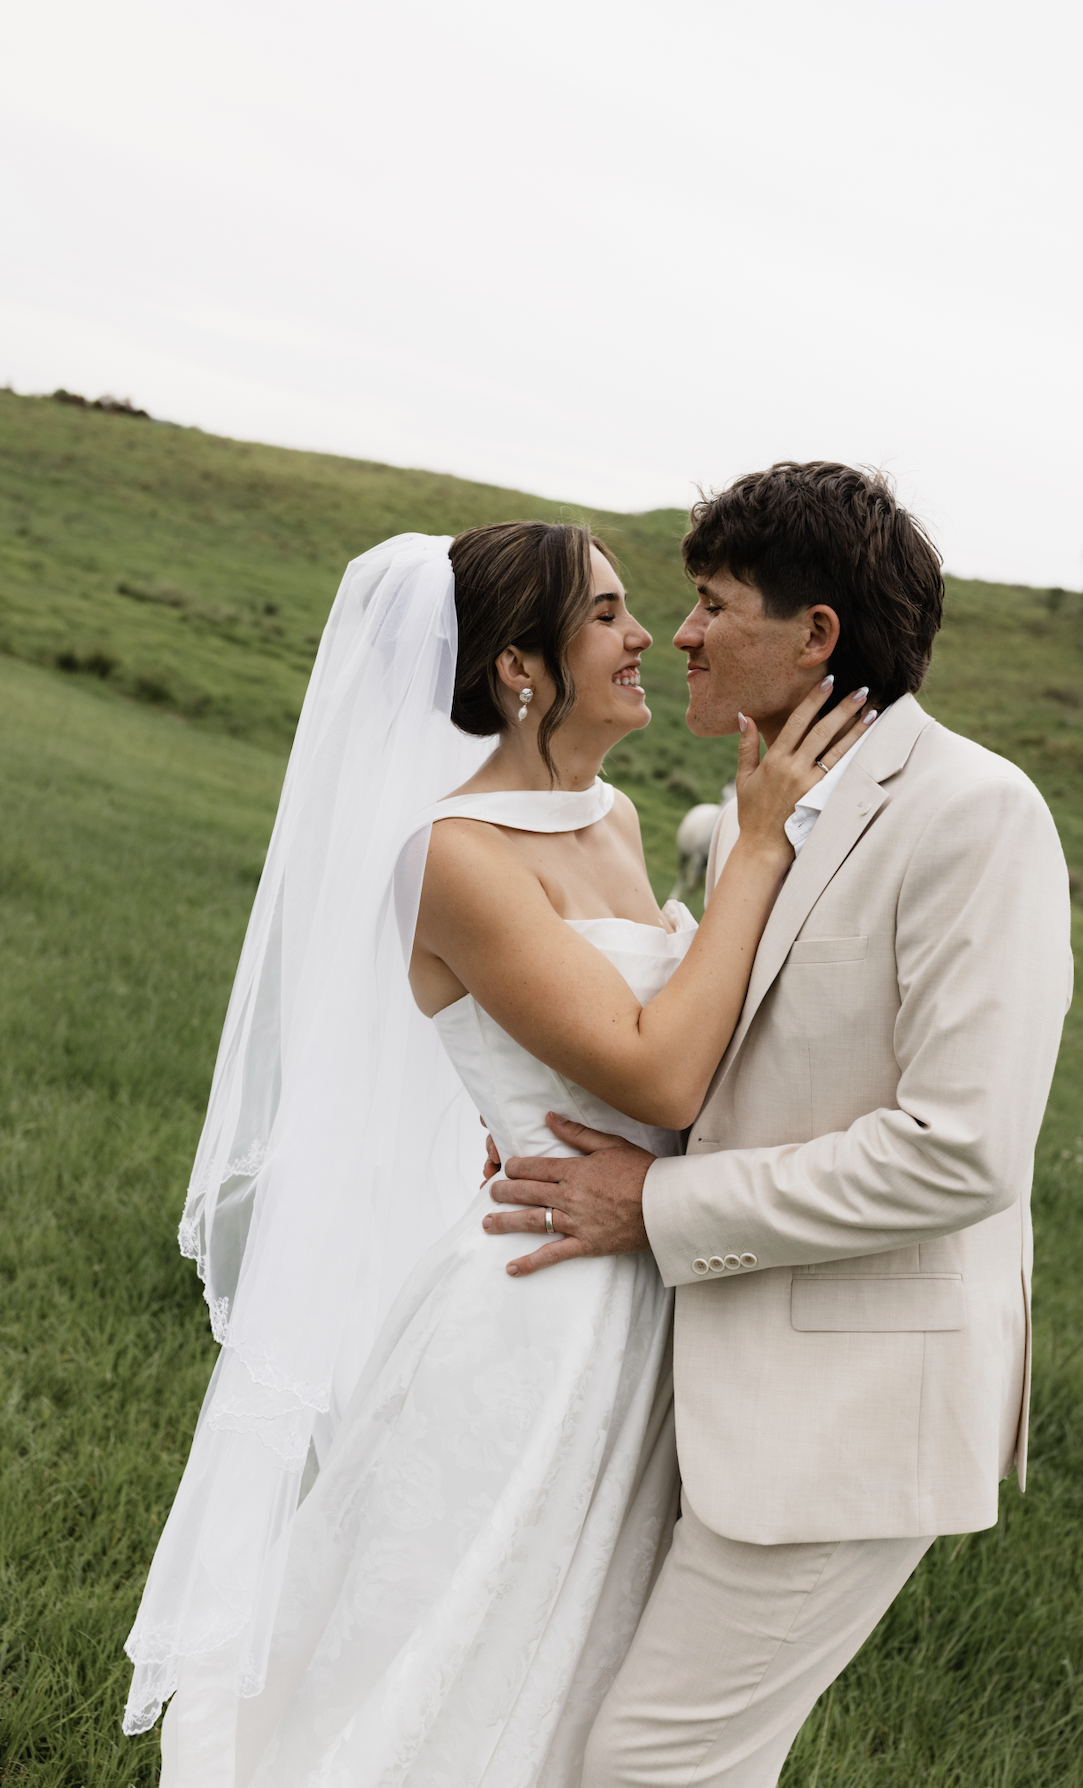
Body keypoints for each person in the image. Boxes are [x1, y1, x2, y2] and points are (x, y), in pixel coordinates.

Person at [123, 520, 871, 1786]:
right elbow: (656, 1071)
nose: (646, 639)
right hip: (539, 1305)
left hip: (649, 1278)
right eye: (608, 616)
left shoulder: (619, 820)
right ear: (518, 667)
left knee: (584, 1657)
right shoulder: (452, 856)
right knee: (456, 1642)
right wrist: (751, 848)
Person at [485, 463, 1074, 1787]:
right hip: (721, 1382)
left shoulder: (973, 816)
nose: (676, 634)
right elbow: (726, 1055)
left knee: (646, 1767)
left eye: (709, 603)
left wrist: (656, 1207)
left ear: (813, 635)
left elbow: (961, 1150)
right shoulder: (766, 811)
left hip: (852, 1412)